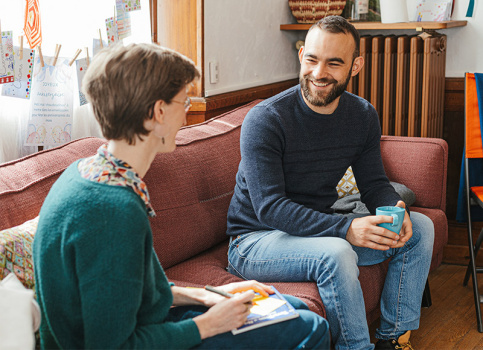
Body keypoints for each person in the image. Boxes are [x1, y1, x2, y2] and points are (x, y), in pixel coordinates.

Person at [32, 43, 329, 349]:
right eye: (183, 101)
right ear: (159, 111)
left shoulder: (88, 172)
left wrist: (205, 293)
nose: (187, 112)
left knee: (294, 307)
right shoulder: (114, 211)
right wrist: (209, 324)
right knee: (312, 328)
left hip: (143, 323)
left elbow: (126, 289)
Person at [226, 15, 434, 350]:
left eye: (334, 63)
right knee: (337, 252)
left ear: (355, 66)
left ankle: (392, 339)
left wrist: (395, 208)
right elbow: (270, 208)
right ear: (301, 56)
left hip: (315, 232)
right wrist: (346, 229)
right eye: (312, 59)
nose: (319, 73)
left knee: (419, 229)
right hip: (255, 242)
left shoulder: (362, 115)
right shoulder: (266, 119)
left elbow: (374, 183)